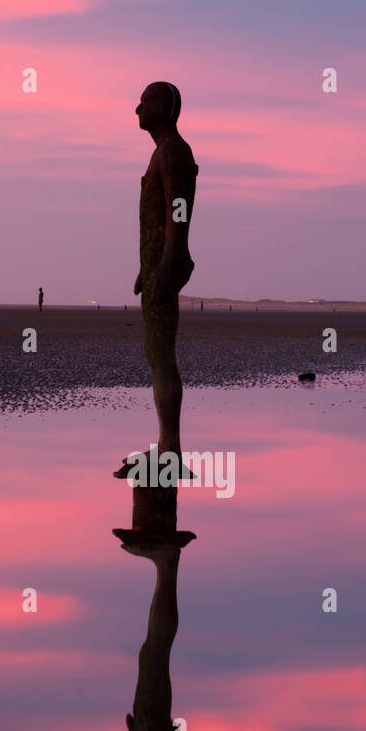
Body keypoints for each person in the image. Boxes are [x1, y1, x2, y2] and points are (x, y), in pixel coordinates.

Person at [133, 82, 198, 459]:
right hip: (156, 266)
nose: (137, 109)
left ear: (163, 107)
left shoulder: (174, 152)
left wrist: (170, 261)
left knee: (161, 353)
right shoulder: (163, 153)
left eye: (144, 102)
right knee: (155, 353)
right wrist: (146, 269)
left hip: (165, 265)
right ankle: (165, 445)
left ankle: (169, 448)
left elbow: (179, 209)